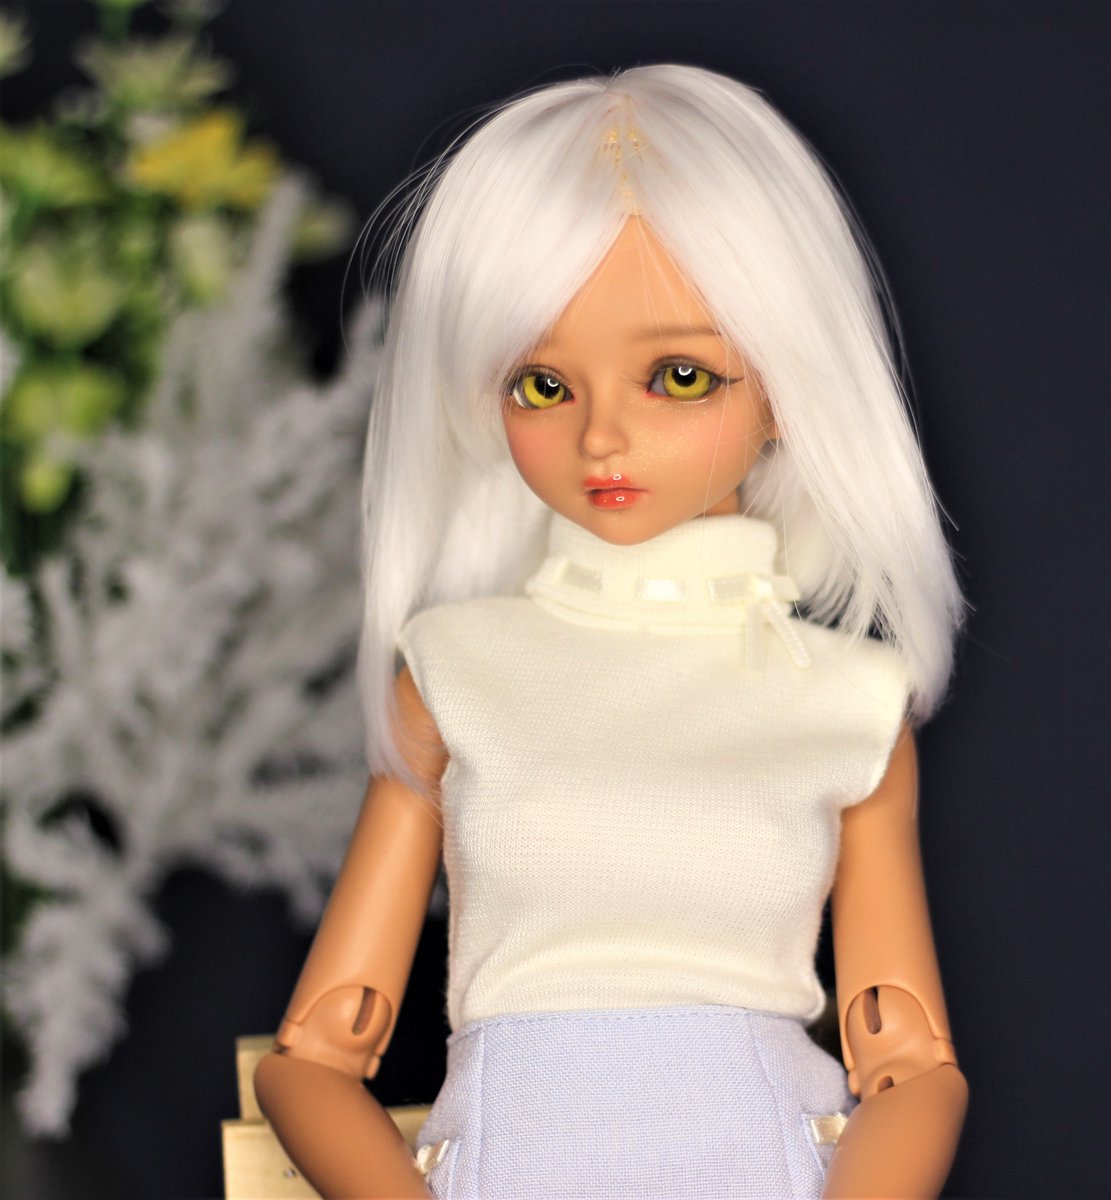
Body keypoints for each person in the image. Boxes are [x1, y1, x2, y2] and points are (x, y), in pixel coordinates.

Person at [255, 64, 968, 1199]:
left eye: (678, 376)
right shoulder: (456, 675)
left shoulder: (848, 707)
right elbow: (310, 1062)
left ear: (788, 385)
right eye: (542, 386)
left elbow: (914, 1069)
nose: (601, 439)